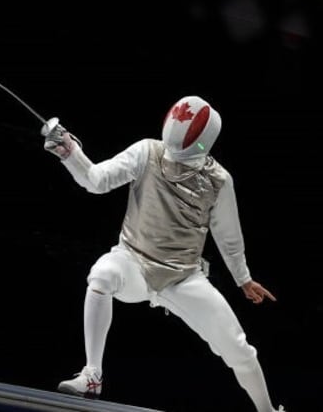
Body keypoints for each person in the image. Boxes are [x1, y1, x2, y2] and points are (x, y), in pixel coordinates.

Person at [42, 95, 286, 412]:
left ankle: (268, 411)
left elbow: (229, 237)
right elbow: (97, 180)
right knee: (102, 273)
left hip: (183, 278)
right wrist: (71, 152)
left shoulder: (219, 181)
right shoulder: (147, 151)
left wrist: (244, 279)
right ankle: (92, 375)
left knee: (240, 350)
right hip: (133, 263)